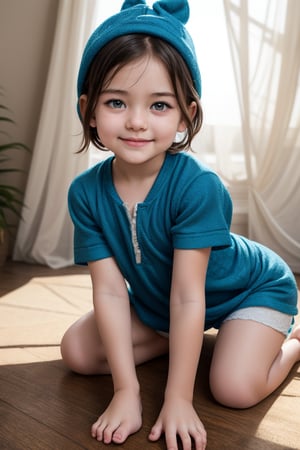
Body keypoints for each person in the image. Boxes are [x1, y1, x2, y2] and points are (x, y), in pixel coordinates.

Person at [60, 1, 300, 449]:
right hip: (164, 302)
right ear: (88, 109)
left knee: (234, 389)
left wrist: (177, 397)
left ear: (186, 114)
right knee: (76, 351)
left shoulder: (199, 186)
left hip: (250, 289)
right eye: (116, 101)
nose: (136, 121)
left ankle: (293, 338)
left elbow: (190, 295)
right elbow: (110, 291)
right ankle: (188, 342)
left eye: (159, 105)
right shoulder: (86, 193)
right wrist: (126, 391)